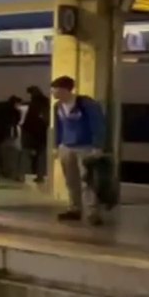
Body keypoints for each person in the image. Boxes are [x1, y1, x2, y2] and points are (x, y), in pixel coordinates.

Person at [51, 76, 107, 225]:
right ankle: (74, 208)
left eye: (56, 91)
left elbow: (98, 124)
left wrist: (98, 146)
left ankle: (92, 212)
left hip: (85, 147)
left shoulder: (87, 104)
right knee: (71, 180)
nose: (54, 94)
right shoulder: (58, 106)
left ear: (65, 90)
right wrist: (56, 145)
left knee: (87, 180)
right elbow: (58, 127)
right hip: (66, 147)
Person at [20, 85, 50, 184]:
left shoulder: (31, 105)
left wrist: (23, 127)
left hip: (30, 133)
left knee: (25, 154)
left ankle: (23, 175)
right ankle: (40, 175)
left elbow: (28, 120)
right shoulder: (46, 103)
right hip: (42, 133)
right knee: (41, 156)